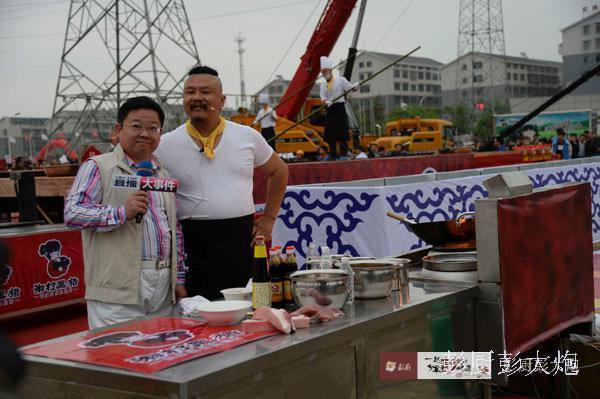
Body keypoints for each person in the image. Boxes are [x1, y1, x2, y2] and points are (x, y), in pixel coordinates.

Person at [155, 66, 288, 300]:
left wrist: (268, 219)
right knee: (198, 316)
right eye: (190, 92)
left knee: (247, 309)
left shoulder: (246, 136)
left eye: (205, 92)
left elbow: (279, 171)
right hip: (193, 246)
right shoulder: (165, 144)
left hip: (240, 241)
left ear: (222, 99)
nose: (196, 98)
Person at [64, 96, 186, 329]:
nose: (145, 134)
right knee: (119, 356)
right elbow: (73, 213)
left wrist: (178, 277)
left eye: (153, 128)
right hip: (118, 288)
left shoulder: (163, 174)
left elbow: (175, 230)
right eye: (136, 126)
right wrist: (120, 213)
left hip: (162, 284)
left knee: (162, 356)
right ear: (118, 129)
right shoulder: (99, 166)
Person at [319, 55, 358, 160]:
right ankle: (332, 154)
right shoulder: (323, 85)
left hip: (340, 109)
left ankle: (344, 154)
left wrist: (355, 87)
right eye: (322, 72)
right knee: (331, 134)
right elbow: (322, 98)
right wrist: (327, 102)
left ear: (330, 70)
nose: (323, 74)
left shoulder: (341, 80)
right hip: (330, 109)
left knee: (342, 133)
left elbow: (350, 89)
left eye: (325, 71)